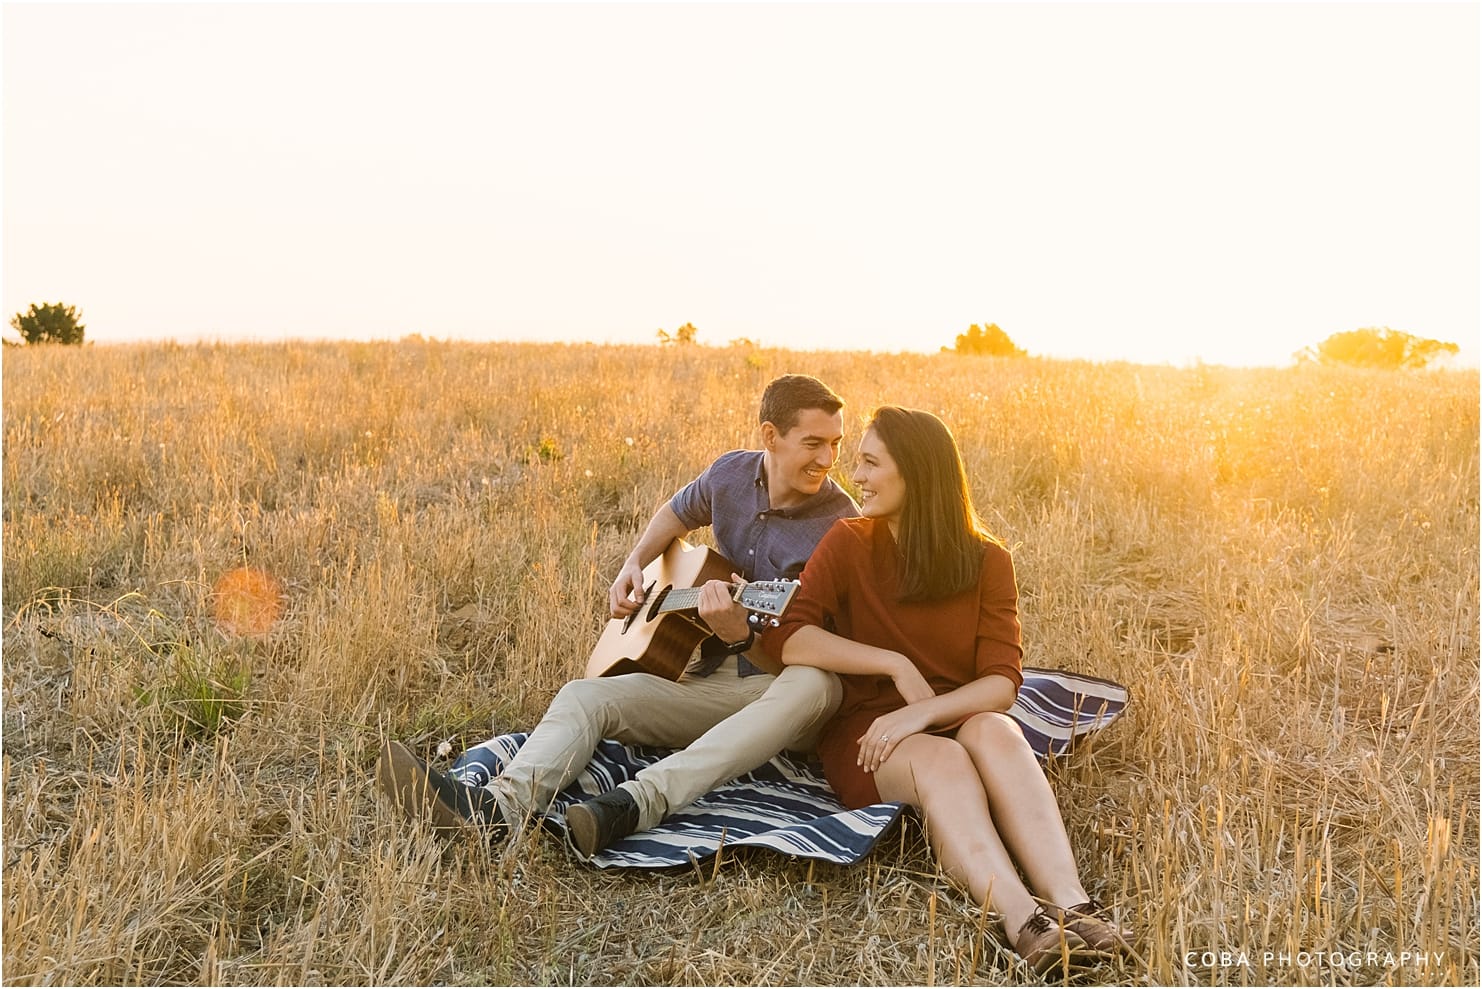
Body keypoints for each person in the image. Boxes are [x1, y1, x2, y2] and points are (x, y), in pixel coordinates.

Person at [376, 374, 858, 856]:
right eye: (813, 443)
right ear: (770, 436)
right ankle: (499, 807)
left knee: (816, 682)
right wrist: (635, 565)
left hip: (783, 686)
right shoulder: (731, 473)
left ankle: (633, 804)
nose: (827, 459)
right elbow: (676, 513)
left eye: (834, 444)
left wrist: (741, 637)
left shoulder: (841, 525)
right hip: (713, 674)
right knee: (585, 697)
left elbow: (824, 655)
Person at [760, 406, 1130, 975]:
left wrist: (925, 710)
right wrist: (892, 665)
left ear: (918, 473)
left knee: (998, 732)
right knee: (945, 759)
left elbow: (1002, 682)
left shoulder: (988, 559)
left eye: (869, 463)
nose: (853, 475)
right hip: (870, 731)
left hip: (951, 714)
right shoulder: (849, 542)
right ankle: (1025, 922)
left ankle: (1075, 906)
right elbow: (791, 637)